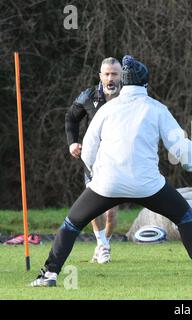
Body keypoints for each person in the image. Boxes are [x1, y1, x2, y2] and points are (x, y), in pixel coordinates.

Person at [30, 55, 192, 287]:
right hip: (148, 185)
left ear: (123, 83)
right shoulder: (157, 109)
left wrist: (96, 173)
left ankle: (49, 275)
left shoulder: (107, 109)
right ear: (145, 83)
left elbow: (88, 149)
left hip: (106, 183)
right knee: (185, 217)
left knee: (71, 224)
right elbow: (178, 144)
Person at [65, 57, 121, 264]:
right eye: (106, 74)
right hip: (93, 160)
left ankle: (105, 241)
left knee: (111, 212)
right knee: (93, 206)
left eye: (114, 74)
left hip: (119, 161)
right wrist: (73, 143)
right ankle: (102, 244)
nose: (110, 78)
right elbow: (71, 117)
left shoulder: (129, 96)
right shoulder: (89, 95)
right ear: (100, 76)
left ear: (121, 75)